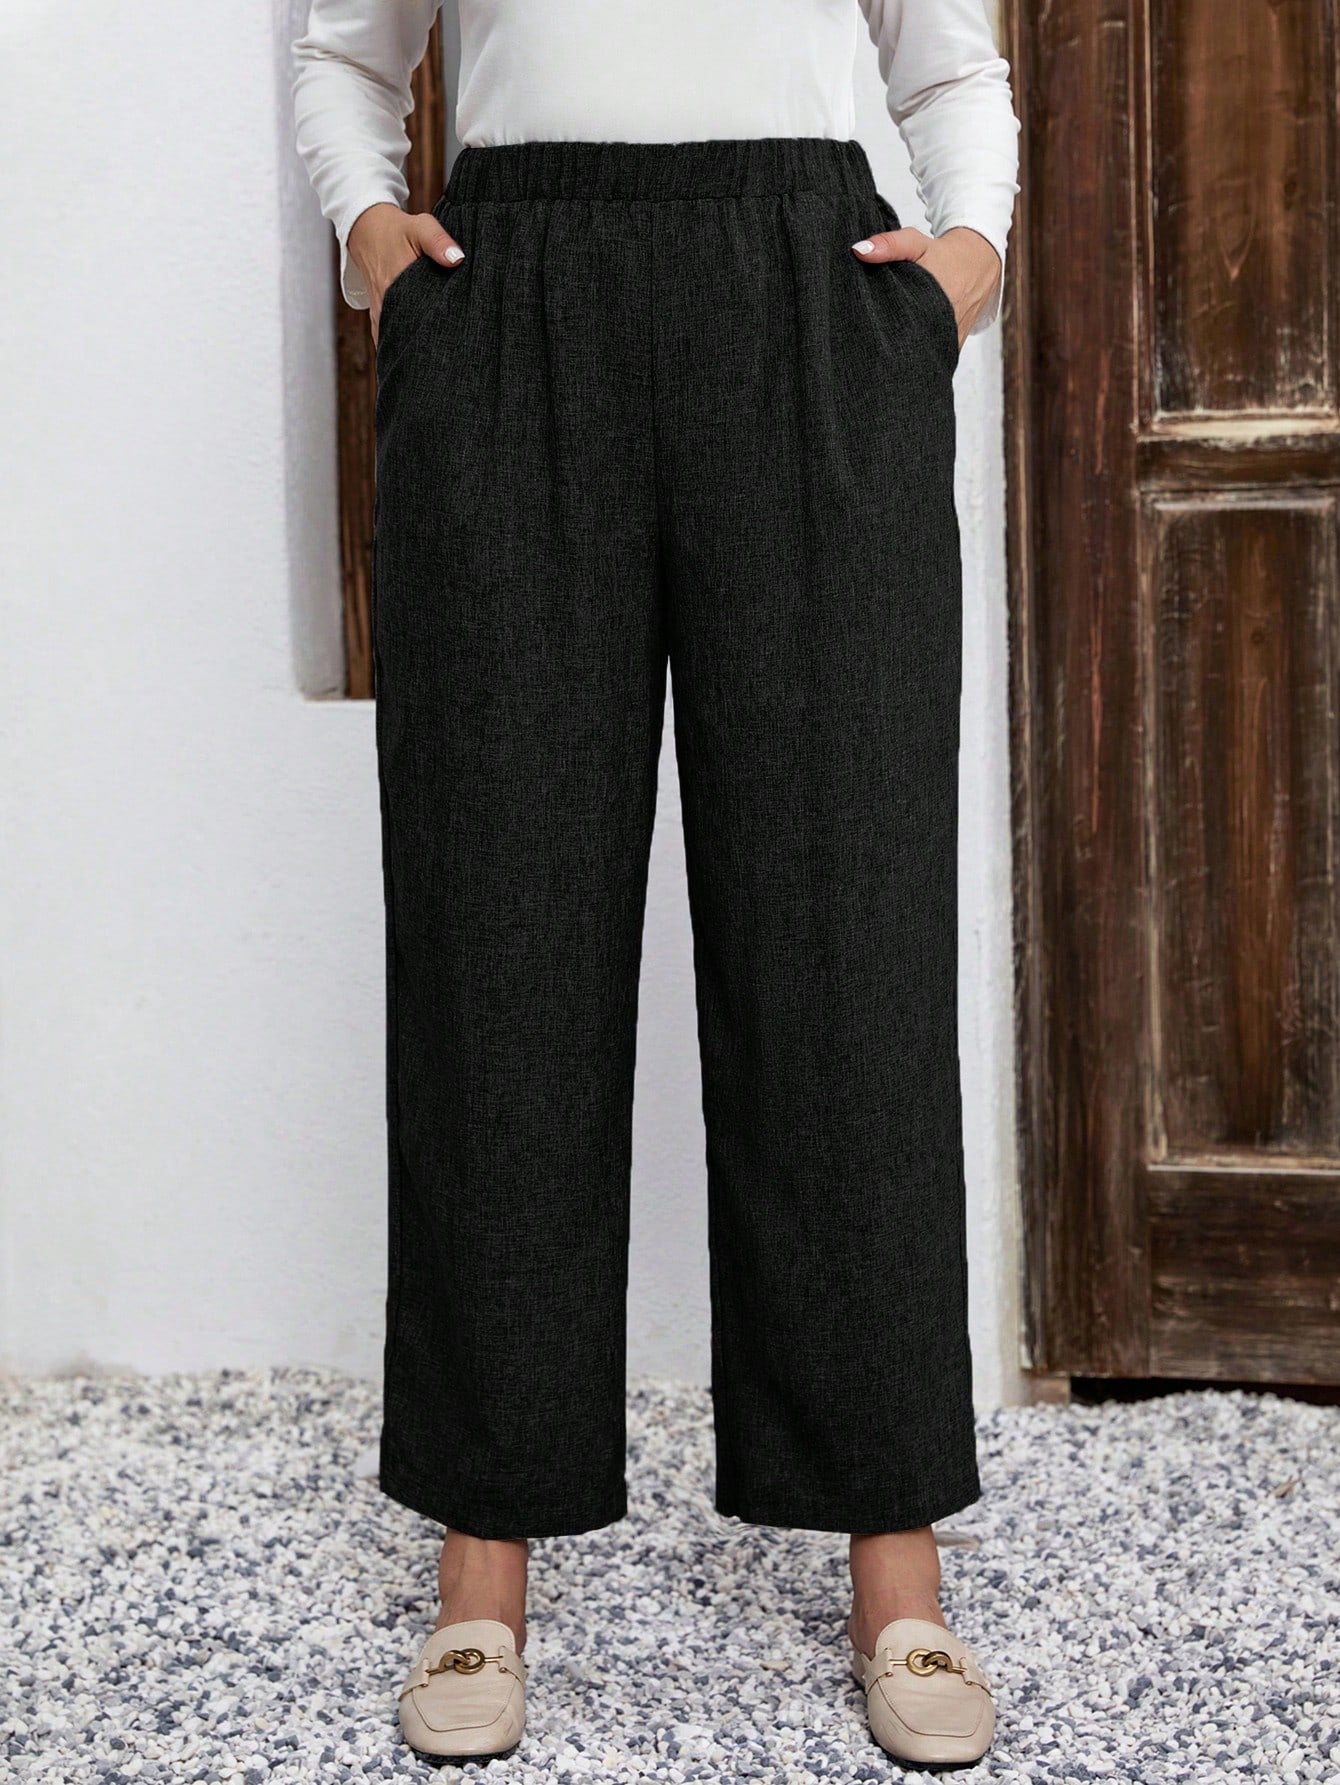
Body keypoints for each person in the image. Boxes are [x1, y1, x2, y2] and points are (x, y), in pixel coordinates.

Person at [291, 0, 1019, 1766]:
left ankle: (896, 1560)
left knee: (847, 932)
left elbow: (954, 68)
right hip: (514, 310)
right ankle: (483, 1559)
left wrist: (955, 279)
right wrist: (379, 243)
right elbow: (345, 57)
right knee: (498, 935)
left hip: (809, 312)